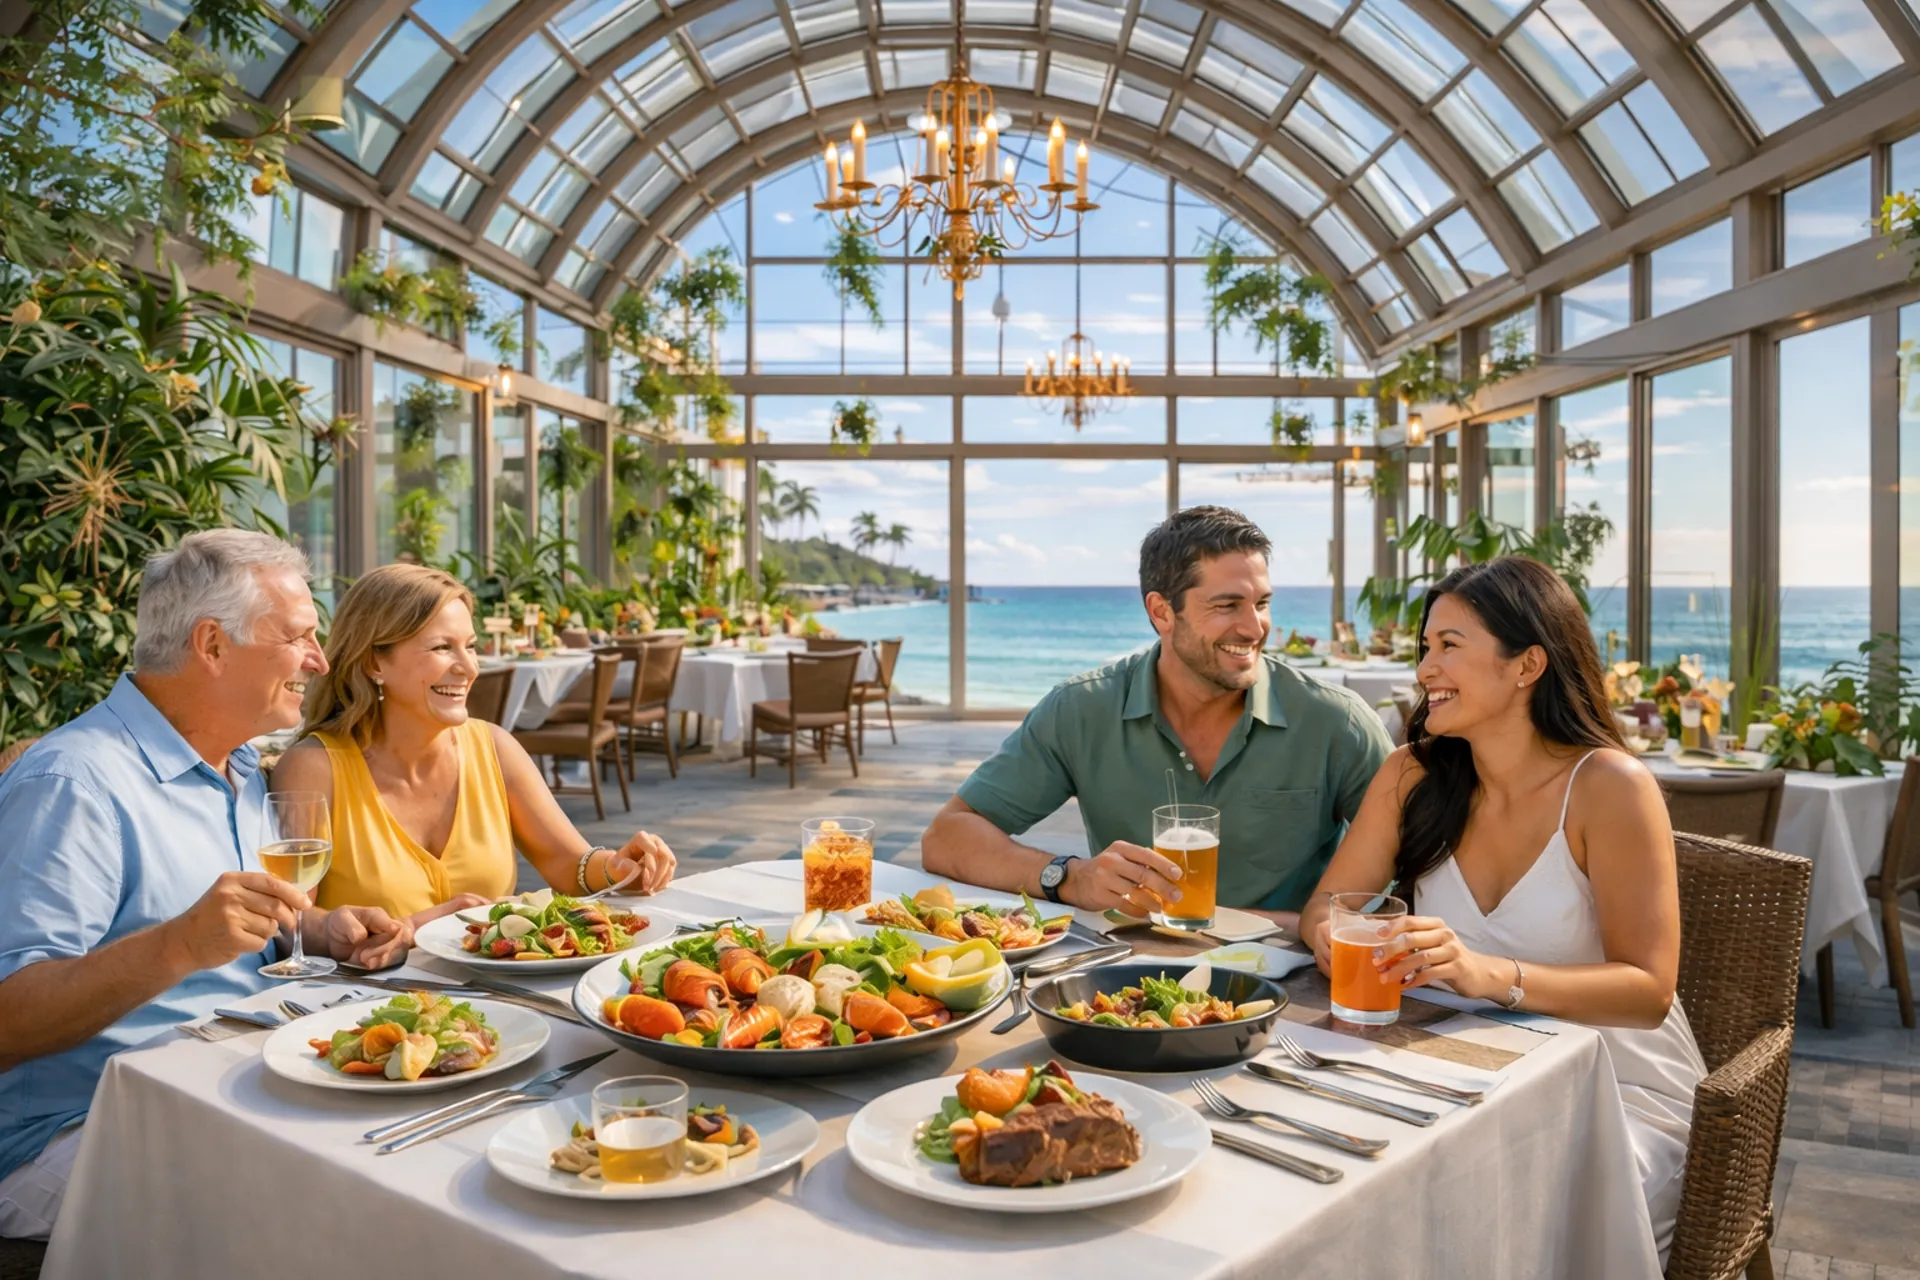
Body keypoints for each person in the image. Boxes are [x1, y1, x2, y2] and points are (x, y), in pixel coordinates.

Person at [0, 531, 413, 1241]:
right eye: (299, 637)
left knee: (417, 1147)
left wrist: (317, 928)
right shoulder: (74, 784)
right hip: (75, 1133)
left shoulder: (240, 767)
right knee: (343, 1214)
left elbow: (225, 930)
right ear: (213, 645)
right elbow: (9, 1021)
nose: (318, 660)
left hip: (235, 1081)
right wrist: (179, 946)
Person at [1297, 556, 1705, 1261]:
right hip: (1458, 1067)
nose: (1425, 669)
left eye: (1449, 646)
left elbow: (1647, 992)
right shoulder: (1412, 775)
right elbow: (1330, 904)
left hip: (1613, 1093)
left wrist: (1490, 976)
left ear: (1528, 665)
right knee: (1337, 1176)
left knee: (1477, 1212)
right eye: (1426, 648)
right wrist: (1335, 936)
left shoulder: (1609, 787)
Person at [921, 506, 1392, 924]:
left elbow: (1421, 864)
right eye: (1227, 605)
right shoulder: (1082, 710)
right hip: (1129, 976)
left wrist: (1312, 923)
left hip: (1296, 978)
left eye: (1262, 603)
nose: (1254, 628)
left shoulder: (1337, 723)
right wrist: (1069, 877)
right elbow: (946, 838)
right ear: (1162, 612)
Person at [274, 564, 677, 927]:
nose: (468, 668)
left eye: (469, 646)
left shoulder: (495, 748)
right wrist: (403, 929)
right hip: (363, 1000)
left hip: (493, 997)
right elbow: (292, 922)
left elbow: (567, 862)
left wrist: (620, 867)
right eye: (441, 647)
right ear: (373, 663)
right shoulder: (315, 767)